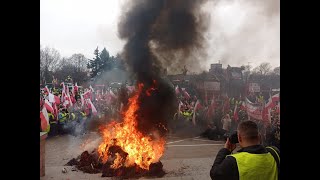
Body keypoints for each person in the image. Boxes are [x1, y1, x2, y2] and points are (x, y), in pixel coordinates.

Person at [210, 120, 280, 180]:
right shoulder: (274, 152)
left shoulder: (233, 161)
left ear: (239, 138)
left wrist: (225, 150)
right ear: (259, 136)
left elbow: (214, 174)